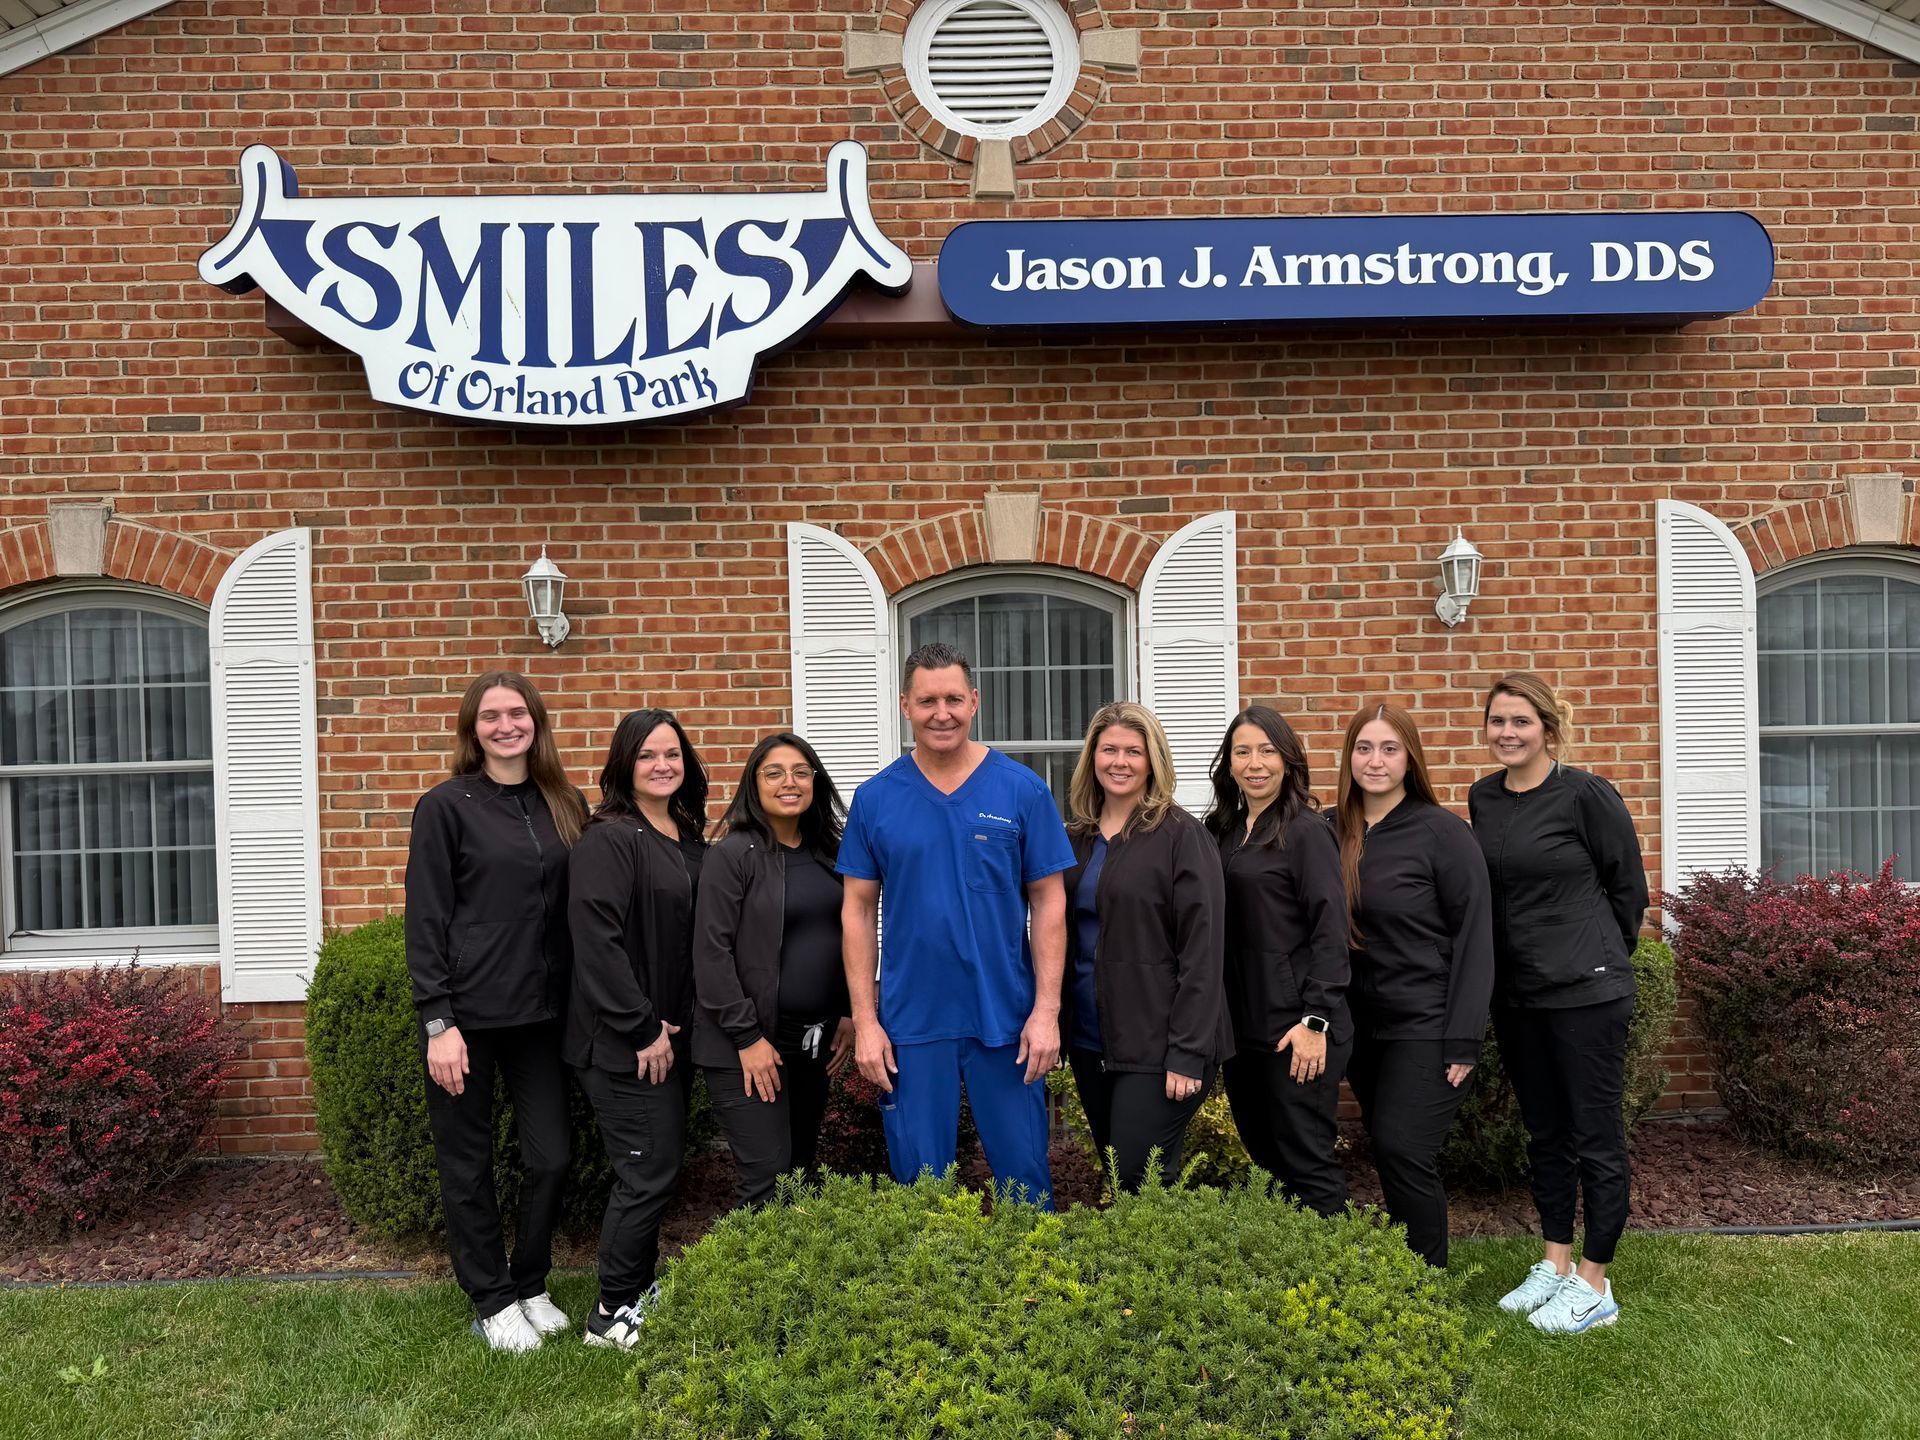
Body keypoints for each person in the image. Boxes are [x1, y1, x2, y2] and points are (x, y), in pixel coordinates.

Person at [839, 641, 1077, 1204]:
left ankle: (1036, 1288)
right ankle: (932, 1294)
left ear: (974, 701)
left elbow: (1050, 901)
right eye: (927, 701)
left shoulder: (1021, 789)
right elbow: (855, 909)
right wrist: (865, 1021)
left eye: (952, 698)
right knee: (923, 1193)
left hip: (1007, 1018)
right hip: (911, 1023)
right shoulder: (875, 799)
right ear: (905, 706)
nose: (940, 712)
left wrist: (1046, 1012)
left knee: (1026, 1184)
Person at [404, 670, 588, 1353]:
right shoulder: (446, 806)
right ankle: (490, 1298)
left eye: (518, 713)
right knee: (467, 1163)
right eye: (491, 715)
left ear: (536, 722)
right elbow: (425, 920)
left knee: (552, 1157)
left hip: (542, 1019)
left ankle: (530, 1280)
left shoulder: (564, 803)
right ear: (472, 728)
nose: (506, 724)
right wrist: (438, 1022)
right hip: (467, 1022)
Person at [1469, 672, 1648, 1333]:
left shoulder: (1585, 795)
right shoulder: (1483, 798)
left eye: (1521, 721)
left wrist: (1597, 955)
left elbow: (1627, 887)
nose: (1508, 733)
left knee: (1594, 1137)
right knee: (1545, 1134)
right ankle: (1556, 1263)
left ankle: (1597, 1285)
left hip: (1586, 993)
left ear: (1548, 727)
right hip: (1519, 997)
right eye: (1498, 721)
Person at [566, 708, 708, 1351]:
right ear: (625, 764)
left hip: (668, 1040)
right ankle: (610, 1311)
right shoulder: (610, 837)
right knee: (646, 1170)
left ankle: (637, 1290)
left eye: (672, 754)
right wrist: (641, 1026)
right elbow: (597, 942)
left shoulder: (683, 833)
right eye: (648, 755)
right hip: (623, 1042)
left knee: (658, 1163)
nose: (662, 765)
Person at [1335, 700, 1494, 1268]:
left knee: (1405, 1146)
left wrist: (1464, 1038)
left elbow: (1476, 938)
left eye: (1389, 748)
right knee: (1388, 1146)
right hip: (1359, 1029)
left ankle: (1428, 1280)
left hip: (1426, 1024)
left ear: (1410, 759)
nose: (1374, 761)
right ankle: (1407, 1271)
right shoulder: (1334, 830)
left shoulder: (1443, 833)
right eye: (1363, 747)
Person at [1059, 702, 1230, 1192]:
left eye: (1134, 751)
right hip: (1093, 1040)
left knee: (1142, 1174)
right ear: (1092, 757)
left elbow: (1203, 951)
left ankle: (1166, 1269)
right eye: (1108, 749)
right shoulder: (1076, 840)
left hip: (1160, 1044)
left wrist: (1187, 1052)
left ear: (1153, 760)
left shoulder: (1182, 837)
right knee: (1121, 1174)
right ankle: (1136, 1266)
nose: (1120, 761)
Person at [693, 732, 856, 1209]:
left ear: (816, 782)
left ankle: (794, 1280)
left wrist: (847, 1010)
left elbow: (851, 935)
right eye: (774, 773)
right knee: (767, 1176)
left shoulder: (832, 853)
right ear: (754, 785)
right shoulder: (733, 856)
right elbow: (711, 954)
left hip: (814, 1041)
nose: (789, 782)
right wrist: (747, 1038)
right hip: (749, 1042)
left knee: (799, 1170)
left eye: (801, 772)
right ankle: (748, 1283)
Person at [1204, 705, 1352, 1217]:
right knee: (1268, 1160)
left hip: (1296, 1029)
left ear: (1288, 760)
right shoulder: (1222, 831)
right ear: (1228, 763)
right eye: (1242, 752)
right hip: (1241, 1028)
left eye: (1267, 751)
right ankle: (1297, 1278)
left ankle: (1340, 1287)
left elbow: (1331, 931)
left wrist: (1316, 1020)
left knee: (1307, 1162)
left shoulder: (1306, 832)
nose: (1255, 763)